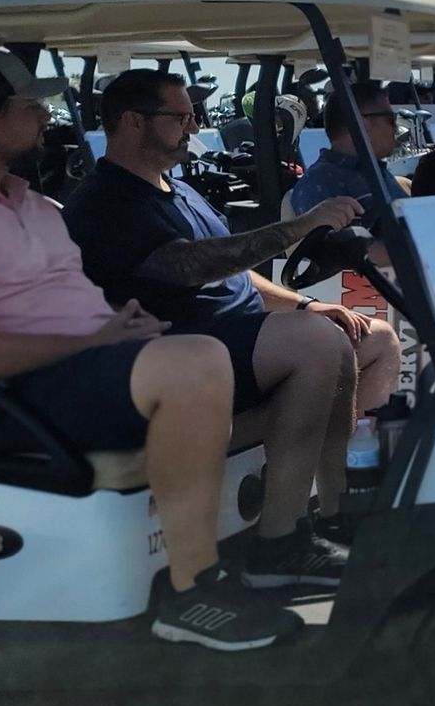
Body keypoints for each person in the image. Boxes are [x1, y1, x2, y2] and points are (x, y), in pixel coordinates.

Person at [0, 51, 302, 651]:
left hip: (83, 374)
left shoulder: (38, 208)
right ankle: (192, 592)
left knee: (233, 350)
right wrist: (95, 339)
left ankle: (284, 535)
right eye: (31, 107)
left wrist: (118, 328)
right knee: (196, 359)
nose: (46, 117)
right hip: (14, 402)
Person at [63, 70, 394, 567]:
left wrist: (306, 303)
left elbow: (238, 275)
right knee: (317, 345)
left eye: (192, 116)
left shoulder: (178, 189)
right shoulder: (104, 203)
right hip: (182, 358)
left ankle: (330, 509)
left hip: (237, 345)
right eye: (179, 117)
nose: (192, 127)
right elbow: (194, 266)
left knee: (376, 338)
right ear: (132, 122)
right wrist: (300, 227)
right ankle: (279, 544)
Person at [288, 80, 409, 217]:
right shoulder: (320, 183)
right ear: (363, 123)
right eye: (391, 119)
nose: (396, 128)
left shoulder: (376, 171)